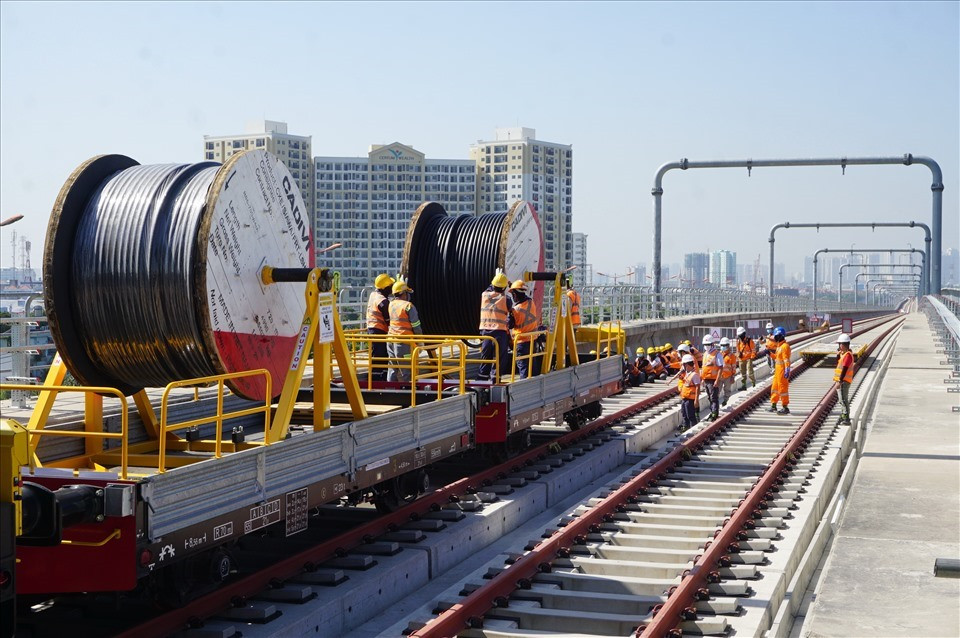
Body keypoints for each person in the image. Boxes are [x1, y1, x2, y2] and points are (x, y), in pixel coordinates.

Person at [477, 270, 514, 382]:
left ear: (493, 284)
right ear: (504, 288)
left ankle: (482, 379)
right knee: (500, 357)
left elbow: (491, 287)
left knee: (486, 356)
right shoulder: (506, 299)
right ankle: (495, 378)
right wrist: (511, 286)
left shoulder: (484, 295)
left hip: (486, 332)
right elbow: (512, 312)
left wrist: (498, 279)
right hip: (499, 332)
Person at [387, 278, 423, 382]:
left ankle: (390, 389)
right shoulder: (408, 306)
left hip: (391, 341)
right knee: (407, 370)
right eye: (407, 292)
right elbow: (416, 326)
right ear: (404, 293)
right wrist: (420, 341)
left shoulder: (391, 304)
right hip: (404, 343)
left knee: (392, 368)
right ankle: (409, 392)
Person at [365, 273, 395, 381]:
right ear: (386, 288)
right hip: (379, 331)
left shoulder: (373, 295)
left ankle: (376, 377)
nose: (392, 289)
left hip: (372, 329)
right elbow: (389, 320)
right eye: (390, 286)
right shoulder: (383, 301)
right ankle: (378, 379)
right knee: (381, 356)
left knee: (376, 355)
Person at [508, 280, 539, 379]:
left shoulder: (515, 310)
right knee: (532, 366)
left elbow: (509, 325)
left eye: (513, 294)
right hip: (532, 340)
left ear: (515, 295)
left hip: (521, 342)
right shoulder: (531, 302)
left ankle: (523, 389)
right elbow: (521, 295)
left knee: (523, 368)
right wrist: (512, 286)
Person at [769, 326, 791, 415]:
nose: (775, 337)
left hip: (782, 371)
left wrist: (787, 369)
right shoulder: (779, 346)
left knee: (783, 389)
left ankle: (785, 407)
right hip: (777, 371)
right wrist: (770, 353)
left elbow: (786, 360)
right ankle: (773, 405)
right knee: (774, 388)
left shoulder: (785, 346)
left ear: (781, 336)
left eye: (777, 335)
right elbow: (777, 358)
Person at [700, 334, 723, 421]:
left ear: (712, 344)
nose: (706, 346)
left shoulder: (717, 354)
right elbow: (704, 367)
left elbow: (720, 368)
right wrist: (702, 379)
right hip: (706, 379)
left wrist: (717, 380)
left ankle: (715, 413)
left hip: (713, 380)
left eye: (708, 344)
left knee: (714, 397)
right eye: (705, 345)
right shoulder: (705, 354)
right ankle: (712, 412)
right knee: (710, 397)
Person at [834, 333, 854, 425]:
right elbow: (840, 365)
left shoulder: (848, 355)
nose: (839, 346)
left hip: (844, 381)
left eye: (840, 344)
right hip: (844, 380)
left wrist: (840, 381)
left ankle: (846, 418)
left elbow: (844, 369)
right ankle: (843, 415)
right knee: (842, 399)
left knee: (843, 399)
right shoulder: (844, 354)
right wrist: (838, 356)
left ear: (843, 344)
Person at [677, 354, 701, 431]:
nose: (683, 366)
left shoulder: (694, 375)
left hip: (690, 399)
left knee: (690, 415)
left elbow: (698, 387)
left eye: (683, 364)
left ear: (686, 364)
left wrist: (696, 400)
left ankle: (693, 430)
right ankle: (686, 427)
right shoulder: (688, 373)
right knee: (684, 414)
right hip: (685, 398)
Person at [736, 326, 757, 390]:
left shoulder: (749, 340)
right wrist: (738, 356)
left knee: (750, 372)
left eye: (741, 335)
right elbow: (737, 350)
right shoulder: (738, 341)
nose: (740, 336)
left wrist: (752, 356)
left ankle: (753, 382)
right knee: (743, 374)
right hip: (741, 359)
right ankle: (744, 386)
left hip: (748, 358)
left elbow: (753, 349)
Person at [718, 337, 738, 406]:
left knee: (727, 390)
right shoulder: (719, 354)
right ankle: (715, 402)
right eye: (722, 345)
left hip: (728, 376)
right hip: (720, 376)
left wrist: (733, 376)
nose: (723, 347)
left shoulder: (732, 356)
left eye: (724, 345)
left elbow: (734, 367)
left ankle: (725, 400)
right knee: (717, 389)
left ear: (728, 346)